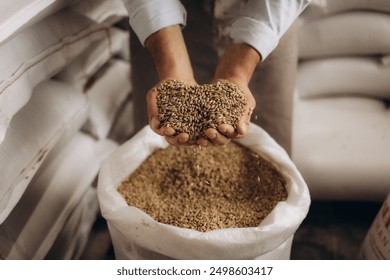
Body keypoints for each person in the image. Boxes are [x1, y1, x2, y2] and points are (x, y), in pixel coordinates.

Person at [122, 0, 311, 151]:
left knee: (269, 155)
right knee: (155, 152)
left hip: (271, 16)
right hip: (159, 26)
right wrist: (171, 67)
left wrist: (238, 70)